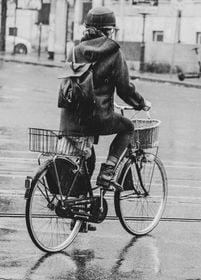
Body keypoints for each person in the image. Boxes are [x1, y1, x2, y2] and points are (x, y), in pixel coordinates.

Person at [59, 6, 151, 190]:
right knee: (128, 127)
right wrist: (141, 103)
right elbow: (125, 89)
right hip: (96, 118)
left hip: (69, 119)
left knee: (88, 160)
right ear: (109, 30)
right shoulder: (114, 52)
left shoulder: (75, 50)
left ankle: (81, 213)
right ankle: (108, 171)